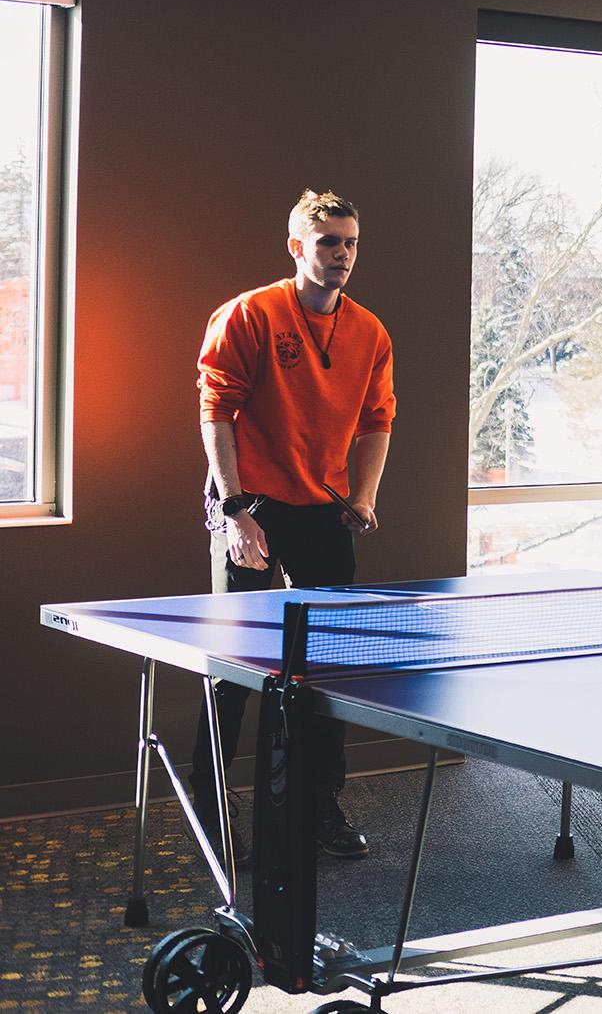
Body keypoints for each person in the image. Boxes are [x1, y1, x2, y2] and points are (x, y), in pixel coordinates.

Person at [194, 189, 395, 859]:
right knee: (236, 667)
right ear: (297, 246)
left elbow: (376, 420)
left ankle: (318, 808)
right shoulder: (250, 314)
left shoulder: (369, 330)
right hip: (250, 500)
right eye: (329, 242)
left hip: (320, 504)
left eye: (351, 243)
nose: (341, 255)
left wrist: (362, 495)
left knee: (325, 666)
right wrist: (236, 509)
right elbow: (216, 412)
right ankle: (215, 815)